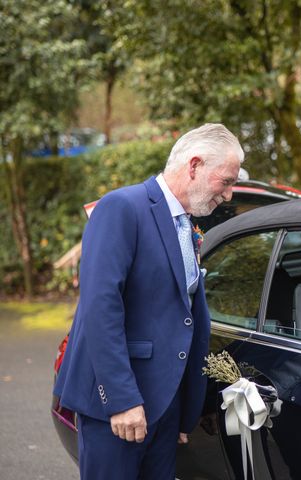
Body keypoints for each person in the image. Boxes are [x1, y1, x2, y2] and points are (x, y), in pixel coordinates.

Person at [53, 123, 244, 479]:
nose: (229, 195)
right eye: (227, 181)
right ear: (194, 165)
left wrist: (183, 411)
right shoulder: (122, 207)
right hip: (119, 404)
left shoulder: (186, 225)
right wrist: (123, 400)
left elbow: (185, 316)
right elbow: (101, 307)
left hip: (164, 407)